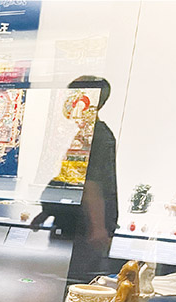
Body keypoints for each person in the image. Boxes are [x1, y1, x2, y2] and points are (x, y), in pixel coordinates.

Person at [30, 76, 118, 286]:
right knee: (65, 279)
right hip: (71, 222)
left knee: (80, 282)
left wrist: (98, 227)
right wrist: (46, 212)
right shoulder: (82, 135)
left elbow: (93, 183)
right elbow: (69, 178)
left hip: (84, 224)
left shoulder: (98, 136)